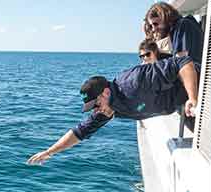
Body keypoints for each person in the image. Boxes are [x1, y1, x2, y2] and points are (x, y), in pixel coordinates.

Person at [26, 56, 199, 166]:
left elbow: (182, 63)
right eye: (92, 107)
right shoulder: (107, 109)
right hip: (184, 105)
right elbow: (80, 132)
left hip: (202, 85)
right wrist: (49, 152)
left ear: (106, 92)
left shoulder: (134, 82)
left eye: (96, 104)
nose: (96, 109)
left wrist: (192, 97)